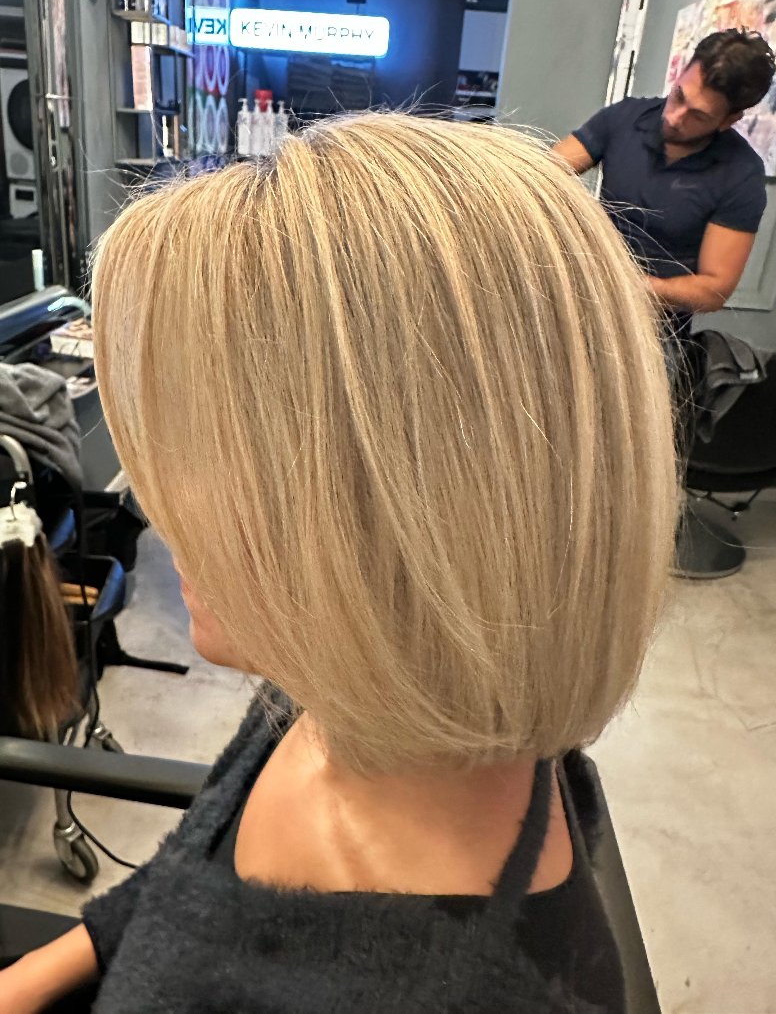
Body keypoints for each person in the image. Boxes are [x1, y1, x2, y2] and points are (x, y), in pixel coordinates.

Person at [0, 112, 677, 1013]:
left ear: (408, 521)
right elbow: (184, 879)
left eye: (226, 454)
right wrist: (31, 978)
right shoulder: (345, 702)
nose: (164, 512)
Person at [553, 28, 776, 341]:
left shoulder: (741, 174)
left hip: (656, 330)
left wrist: (630, 287)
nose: (674, 118)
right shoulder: (624, 118)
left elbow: (713, 289)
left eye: (698, 115)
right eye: (679, 96)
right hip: (583, 303)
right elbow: (545, 172)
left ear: (729, 120)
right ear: (681, 73)